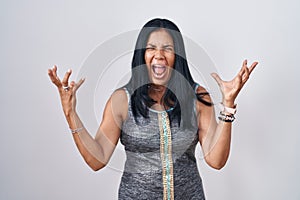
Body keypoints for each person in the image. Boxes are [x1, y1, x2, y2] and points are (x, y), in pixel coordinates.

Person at [48, 18, 258, 200]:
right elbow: (97, 159)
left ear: (177, 56)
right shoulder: (121, 100)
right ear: (142, 55)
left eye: (168, 48)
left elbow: (216, 160)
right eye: (151, 48)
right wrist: (70, 113)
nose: (159, 55)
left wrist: (228, 105)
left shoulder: (196, 97)